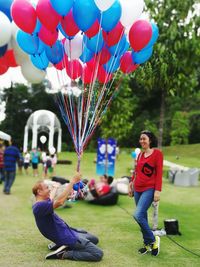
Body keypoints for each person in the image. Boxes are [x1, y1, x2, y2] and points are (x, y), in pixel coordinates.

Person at [32, 172, 103, 261]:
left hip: (67, 232)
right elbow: (60, 202)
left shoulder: (42, 203)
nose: (49, 189)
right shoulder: (40, 206)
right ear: (39, 192)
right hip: (67, 237)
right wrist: (72, 182)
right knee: (98, 254)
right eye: (47, 188)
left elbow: (51, 198)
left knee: (94, 239)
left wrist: (55, 187)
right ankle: (64, 254)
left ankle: (60, 245)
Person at [128, 130, 163, 256]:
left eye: (144, 139)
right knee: (142, 217)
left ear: (150, 140)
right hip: (137, 189)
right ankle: (148, 244)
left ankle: (154, 239)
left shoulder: (157, 154)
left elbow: (159, 173)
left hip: (149, 189)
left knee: (137, 215)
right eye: (140, 139)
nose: (142, 141)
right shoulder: (140, 155)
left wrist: (158, 191)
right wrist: (131, 184)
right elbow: (136, 172)